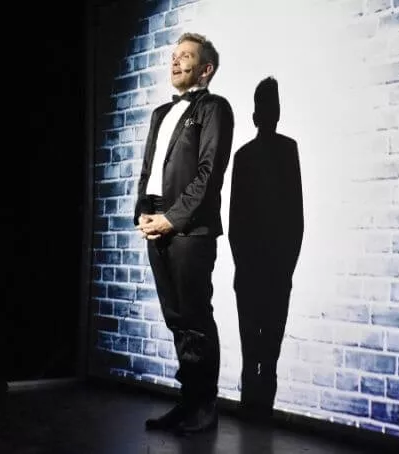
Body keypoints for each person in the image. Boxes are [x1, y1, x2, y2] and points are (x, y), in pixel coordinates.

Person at [133, 32, 234, 434]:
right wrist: (143, 213)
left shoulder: (214, 108)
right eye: (174, 55)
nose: (175, 61)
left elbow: (209, 174)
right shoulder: (161, 112)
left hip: (190, 228)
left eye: (186, 56)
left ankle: (204, 408)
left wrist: (172, 219)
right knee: (176, 318)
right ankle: (188, 402)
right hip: (156, 221)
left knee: (195, 318)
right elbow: (148, 169)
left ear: (206, 68)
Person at [229, 77, 303, 421]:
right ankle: (260, 420)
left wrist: (244, 265)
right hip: (272, 269)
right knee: (267, 354)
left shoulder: (245, 156)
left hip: (255, 269)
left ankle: (251, 418)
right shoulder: (287, 151)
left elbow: (236, 222)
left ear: (255, 115)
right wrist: (285, 266)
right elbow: (295, 218)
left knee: (255, 354)